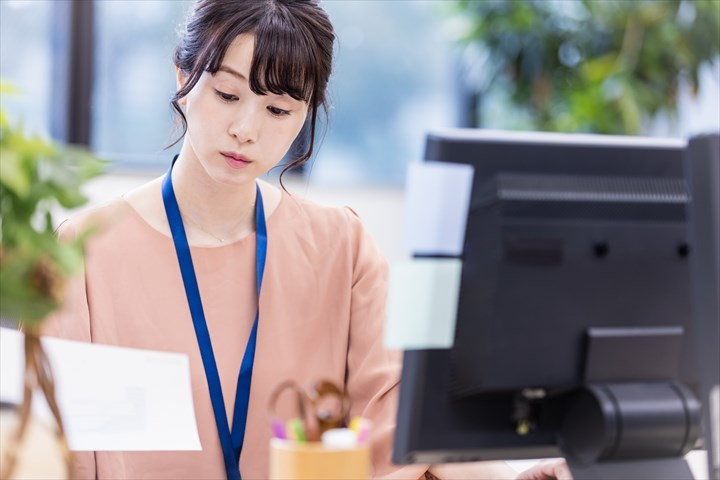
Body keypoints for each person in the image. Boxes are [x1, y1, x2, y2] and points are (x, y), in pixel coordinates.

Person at [42, 1, 569, 479]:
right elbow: (54, 450)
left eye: (278, 110)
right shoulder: (85, 251)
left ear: (306, 114)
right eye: (227, 94)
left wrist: (512, 478)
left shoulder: (342, 245)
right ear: (183, 74)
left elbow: (401, 421)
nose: (246, 129)